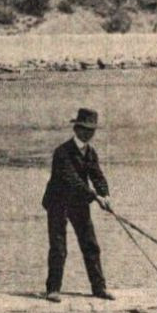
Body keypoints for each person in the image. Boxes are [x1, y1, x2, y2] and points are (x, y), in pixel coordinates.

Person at [41, 108, 113, 302]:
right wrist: (95, 197)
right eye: (86, 129)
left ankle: (99, 288)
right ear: (77, 129)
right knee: (58, 247)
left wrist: (105, 194)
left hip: (79, 203)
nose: (90, 133)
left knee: (91, 245)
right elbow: (72, 180)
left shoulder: (90, 152)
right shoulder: (62, 153)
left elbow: (97, 176)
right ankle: (53, 289)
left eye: (92, 130)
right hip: (57, 202)